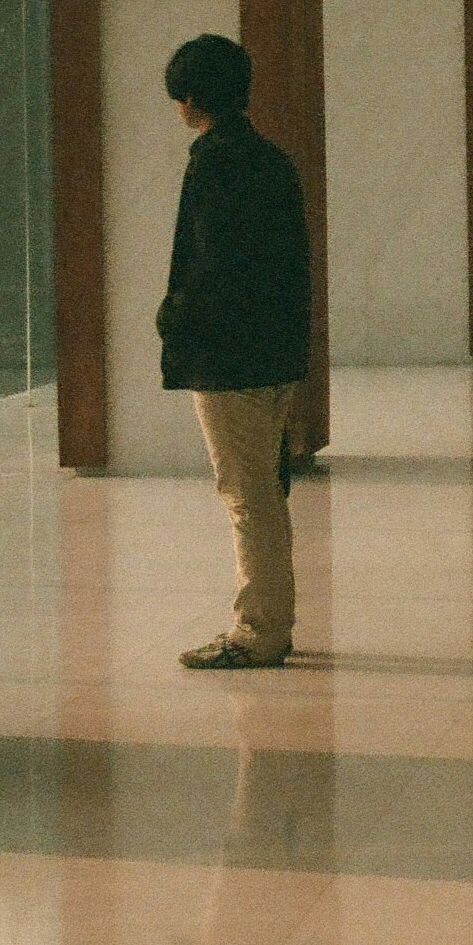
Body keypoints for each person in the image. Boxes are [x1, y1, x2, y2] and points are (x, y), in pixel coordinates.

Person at [157, 33, 312, 671]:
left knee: (246, 492)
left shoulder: (214, 163)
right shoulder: (271, 159)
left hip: (230, 357)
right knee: (265, 489)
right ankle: (269, 620)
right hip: (274, 351)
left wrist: (174, 317)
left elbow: (212, 265)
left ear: (192, 98)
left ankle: (258, 631)